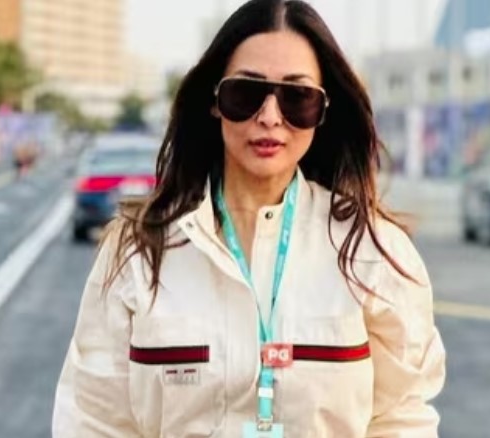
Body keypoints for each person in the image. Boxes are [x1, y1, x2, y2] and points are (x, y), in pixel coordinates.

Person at [52, 0, 445, 436]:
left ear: (323, 112)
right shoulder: (137, 252)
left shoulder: (373, 250)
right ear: (215, 101)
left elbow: (402, 418)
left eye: (298, 97)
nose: (270, 117)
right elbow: (94, 419)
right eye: (246, 93)